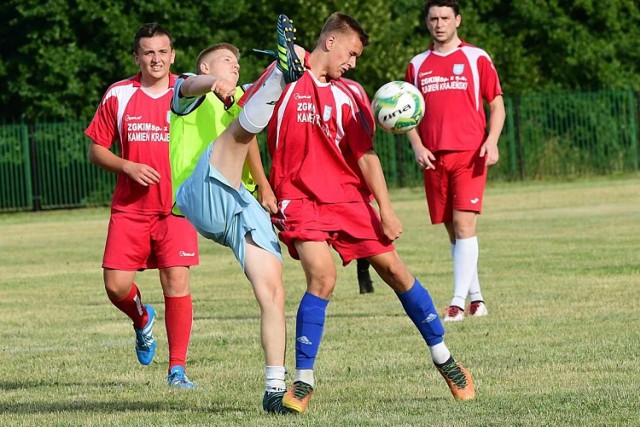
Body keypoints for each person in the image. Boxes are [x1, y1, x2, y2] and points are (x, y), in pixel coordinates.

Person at [247, 12, 476, 414]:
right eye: (351, 53)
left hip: (349, 200)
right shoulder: (283, 77)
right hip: (299, 200)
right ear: (330, 41)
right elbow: (245, 129)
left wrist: (386, 209)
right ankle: (302, 383)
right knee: (323, 276)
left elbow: (365, 156)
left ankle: (446, 361)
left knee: (397, 273)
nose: (352, 63)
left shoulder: (352, 93)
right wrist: (264, 186)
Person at [169, 37, 295, 413]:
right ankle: (281, 74)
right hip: (199, 193)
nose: (234, 66)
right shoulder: (190, 89)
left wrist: (266, 190)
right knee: (240, 126)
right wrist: (213, 84)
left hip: (239, 200)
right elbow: (188, 86)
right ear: (206, 66)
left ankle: (274, 389)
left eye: (237, 63)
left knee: (272, 291)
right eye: (226, 61)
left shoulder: (238, 102)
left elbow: (247, 138)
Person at [85, 23, 199, 388]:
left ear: (173, 56)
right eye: (148, 52)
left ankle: (177, 369)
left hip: (176, 208)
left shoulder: (187, 92)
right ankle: (141, 319)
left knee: (177, 281)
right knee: (116, 286)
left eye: (162, 51)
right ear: (136, 57)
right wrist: (126, 165)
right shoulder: (119, 95)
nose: (156, 58)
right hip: (130, 209)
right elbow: (96, 149)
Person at [405, 0, 505, 322]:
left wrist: (491, 141)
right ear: (426, 22)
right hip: (433, 159)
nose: (439, 24)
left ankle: (456, 303)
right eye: (433, 18)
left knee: (464, 226)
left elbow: (497, 105)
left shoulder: (477, 58)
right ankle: (477, 299)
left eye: (445, 17)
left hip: (470, 155)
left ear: (457, 20)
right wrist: (418, 146)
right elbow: (406, 115)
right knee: (454, 233)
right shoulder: (417, 64)